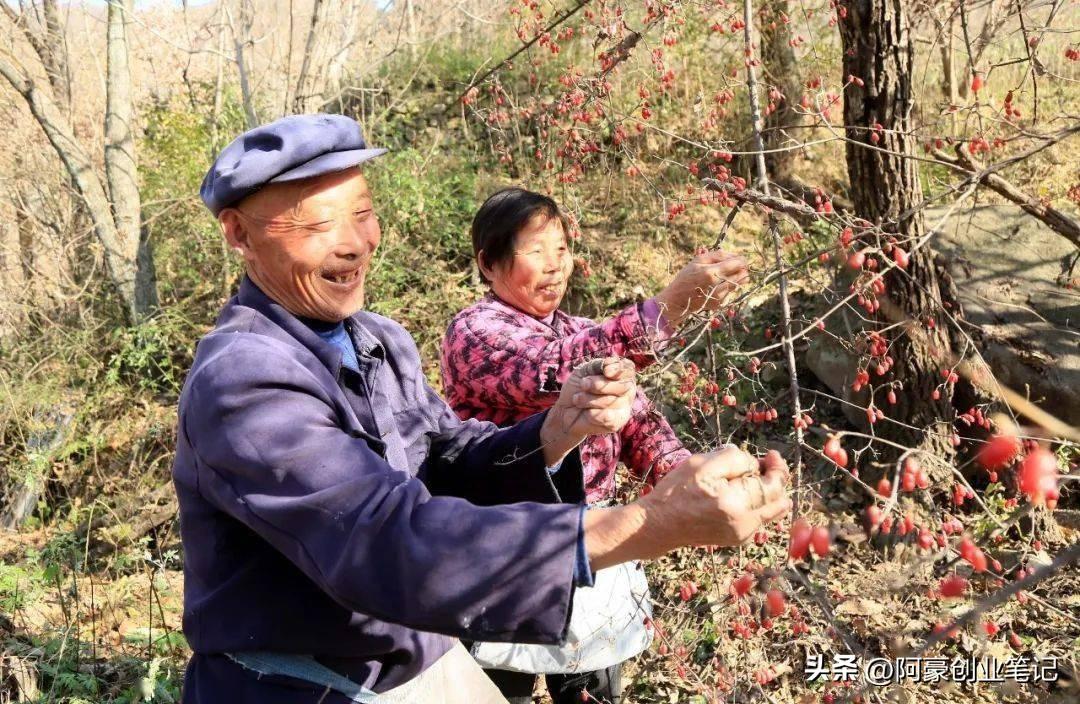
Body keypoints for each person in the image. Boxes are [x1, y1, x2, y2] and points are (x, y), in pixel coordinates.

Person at [173, 113, 792, 704]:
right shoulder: (244, 379)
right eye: (318, 226)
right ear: (238, 233)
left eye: (363, 214)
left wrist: (554, 432)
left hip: (417, 652)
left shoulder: (376, 340)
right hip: (309, 683)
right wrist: (646, 524)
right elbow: (383, 540)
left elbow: (443, 454)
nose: (356, 245)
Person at [440, 188, 750, 702]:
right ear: (488, 264)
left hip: (597, 535)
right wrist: (665, 310)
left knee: (593, 687)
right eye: (535, 251)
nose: (554, 266)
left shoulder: (584, 330)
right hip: (511, 539)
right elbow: (555, 371)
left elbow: (641, 424)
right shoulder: (473, 333)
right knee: (499, 687)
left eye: (561, 249)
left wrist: (692, 482)